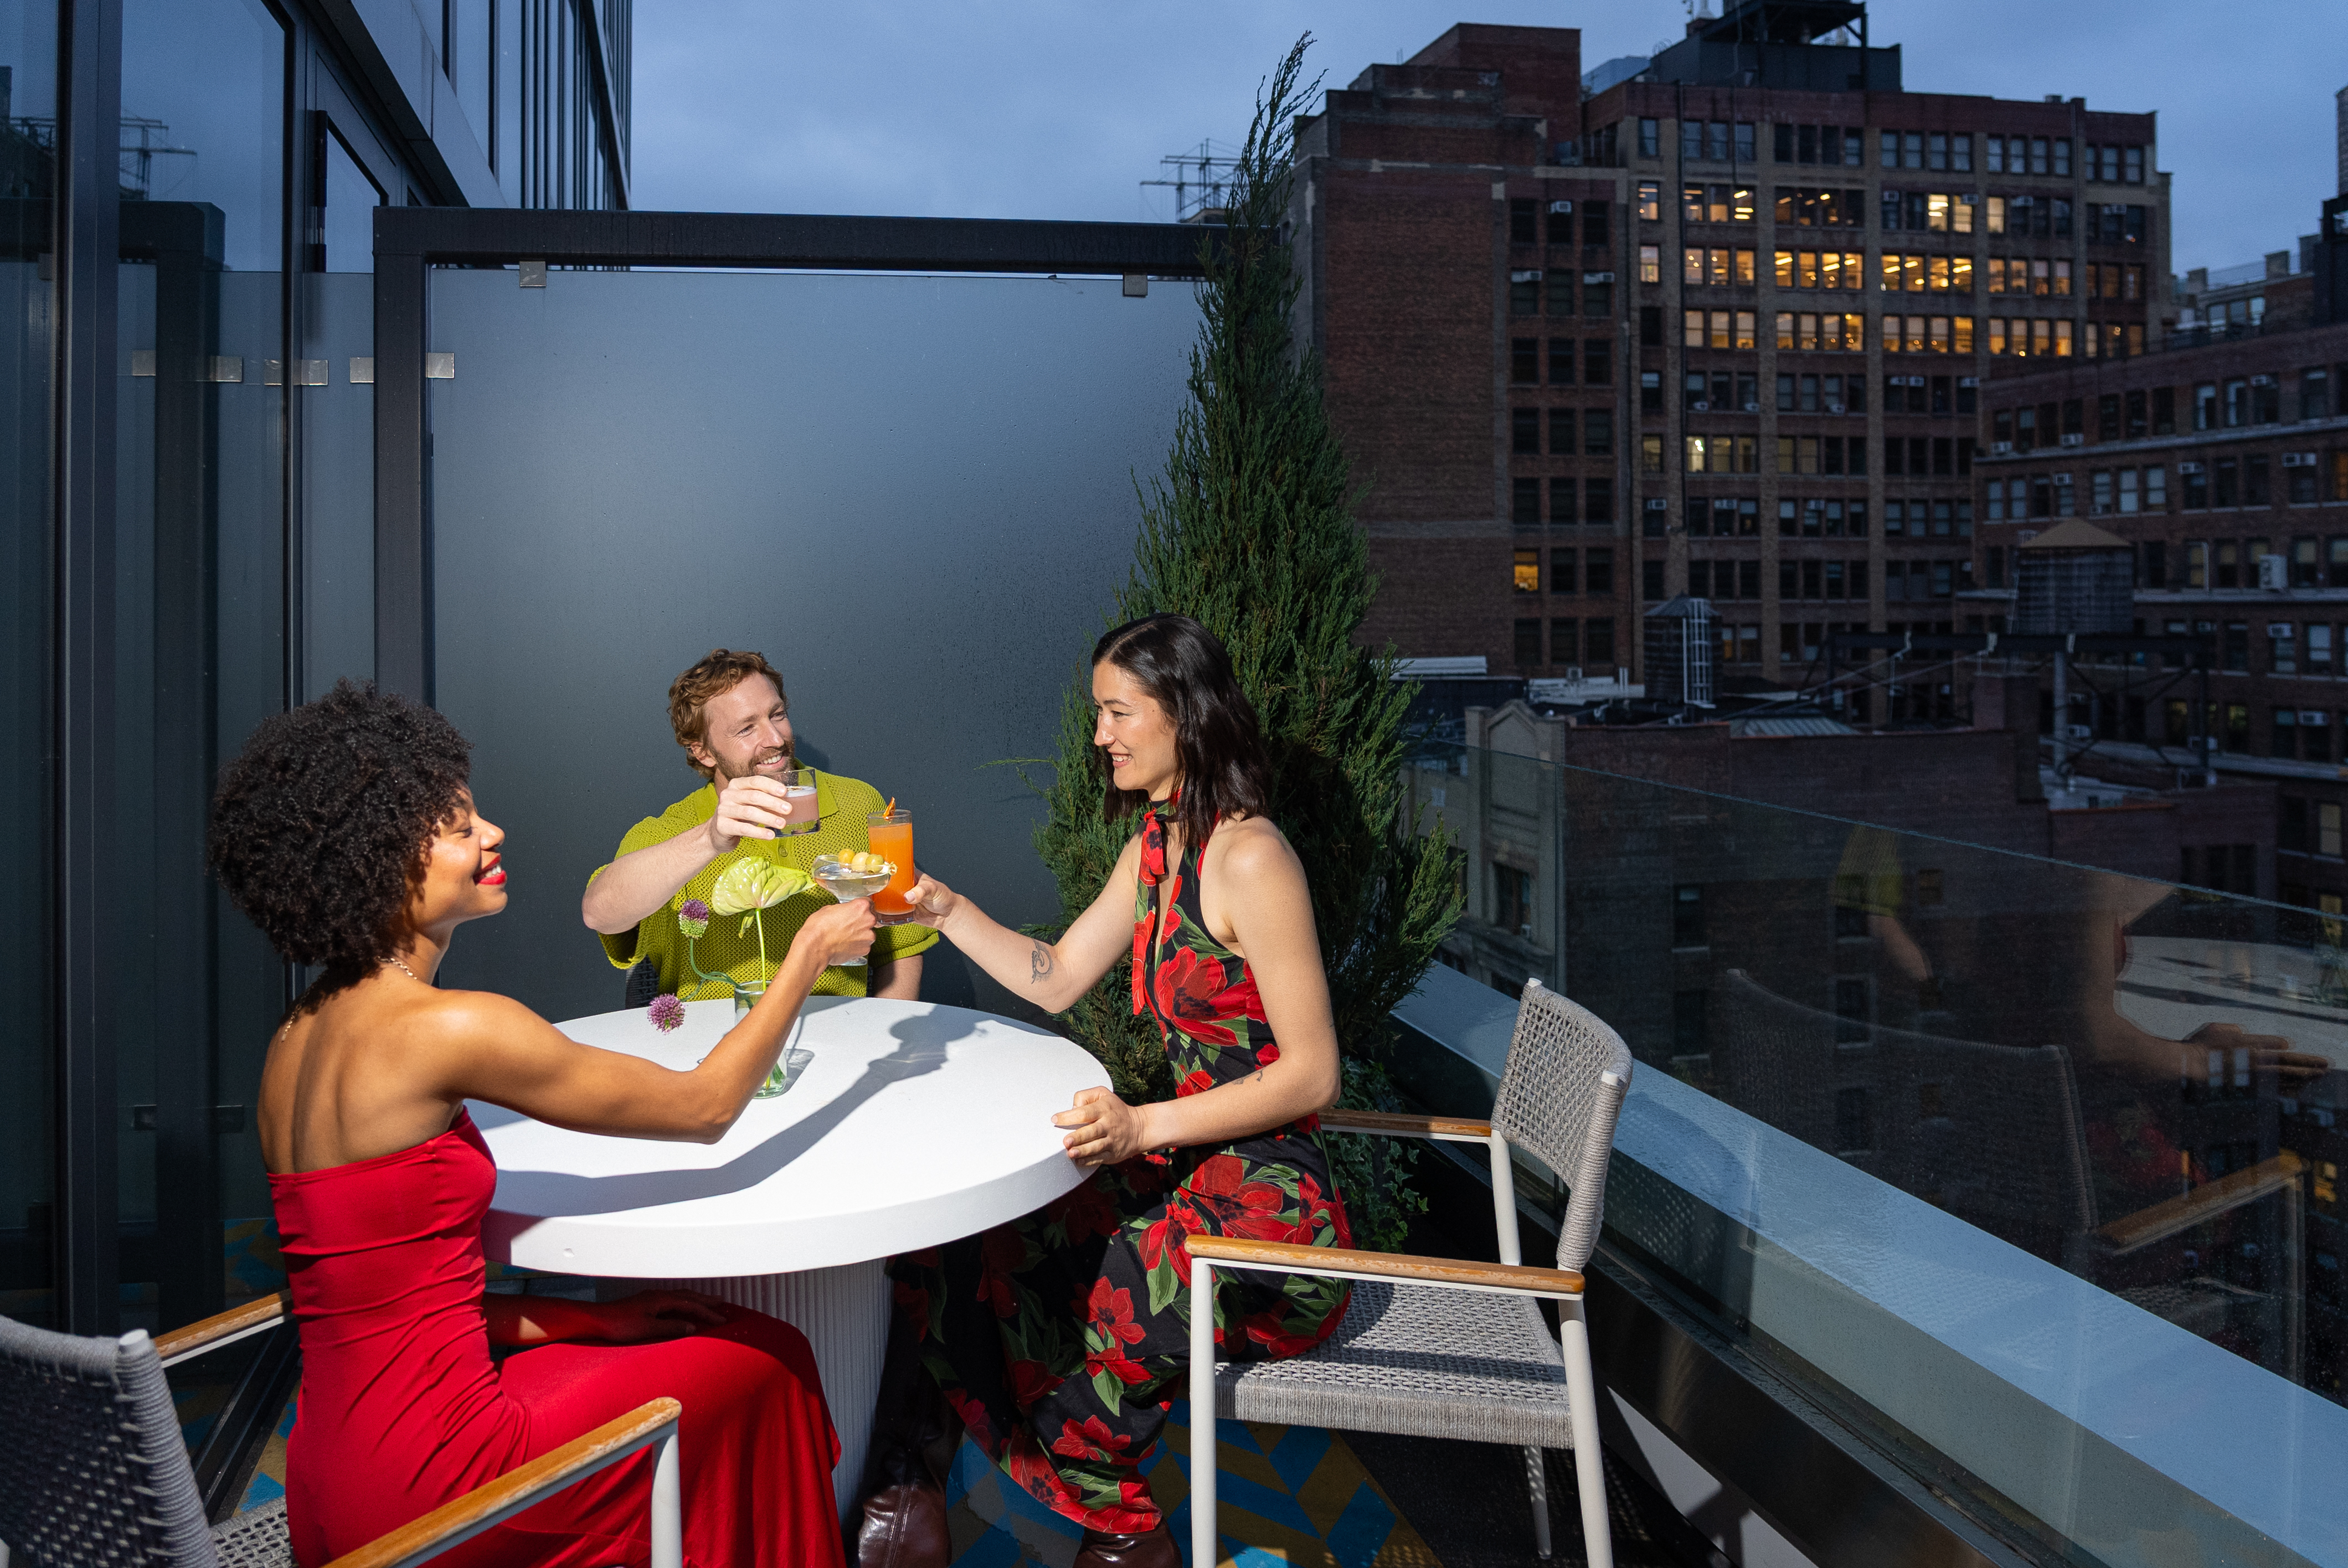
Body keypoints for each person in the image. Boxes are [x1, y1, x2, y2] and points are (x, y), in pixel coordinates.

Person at [210, 680, 873, 1568]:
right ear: (376, 859)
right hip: (446, 1482)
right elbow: (707, 1106)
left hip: (326, 1482)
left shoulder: (293, 1040)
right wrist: (808, 954)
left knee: (704, 1339)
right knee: (772, 1358)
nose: (493, 836)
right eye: (457, 828)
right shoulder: (448, 1028)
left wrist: (604, 1317)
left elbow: (390, 1308)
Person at [859, 615, 1353, 1568]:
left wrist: (1140, 1126)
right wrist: (945, 906)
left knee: (1098, 1307)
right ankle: (912, 1476)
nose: (1100, 736)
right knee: (980, 1239)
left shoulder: (1251, 857)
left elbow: (1311, 1072)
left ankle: (1127, 1537)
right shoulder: (1158, 846)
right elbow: (1055, 975)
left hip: (1271, 1215)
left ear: (1184, 713)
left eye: (1116, 711)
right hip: (1187, 1173)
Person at [583, 648, 936, 1001]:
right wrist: (709, 839)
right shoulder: (672, 830)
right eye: (746, 728)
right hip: (713, 1046)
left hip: (836, 1036)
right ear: (703, 751)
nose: (776, 739)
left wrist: (883, 1041)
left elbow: (902, 947)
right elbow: (600, 914)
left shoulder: (858, 804)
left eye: (777, 714)